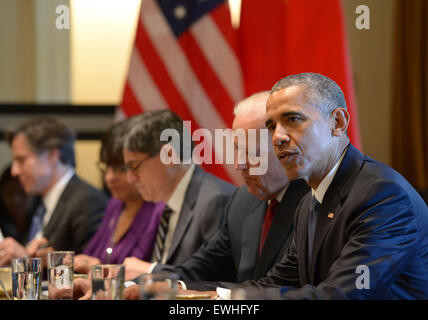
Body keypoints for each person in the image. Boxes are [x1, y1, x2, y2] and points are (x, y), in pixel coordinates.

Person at [235, 72, 428, 299]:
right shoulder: (310, 201)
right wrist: (214, 298)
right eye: (272, 127)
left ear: (338, 122)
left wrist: (238, 300)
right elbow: (277, 282)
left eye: (293, 119)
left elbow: (341, 294)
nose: (277, 137)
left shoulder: (384, 196)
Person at [120, 92, 309, 299]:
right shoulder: (243, 201)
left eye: (252, 153)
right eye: (237, 150)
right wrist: (128, 286)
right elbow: (198, 270)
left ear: (285, 146)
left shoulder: (312, 202)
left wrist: (212, 296)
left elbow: (281, 287)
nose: (239, 164)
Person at [0, 117, 107, 266]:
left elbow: (94, 270)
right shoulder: (38, 202)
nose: (14, 171)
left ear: (52, 155)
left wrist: (26, 258)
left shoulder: (87, 201)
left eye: (21, 160)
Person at [74, 119, 165, 274]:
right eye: (107, 167)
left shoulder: (159, 209)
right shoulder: (115, 204)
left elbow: (143, 272)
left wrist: (98, 270)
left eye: (120, 168)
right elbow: (89, 255)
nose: (109, 177)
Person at [0, 165, 37, 244]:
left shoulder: (40, 218)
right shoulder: (3, 221)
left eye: (21, 193)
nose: (15, 200)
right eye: (9, 193)